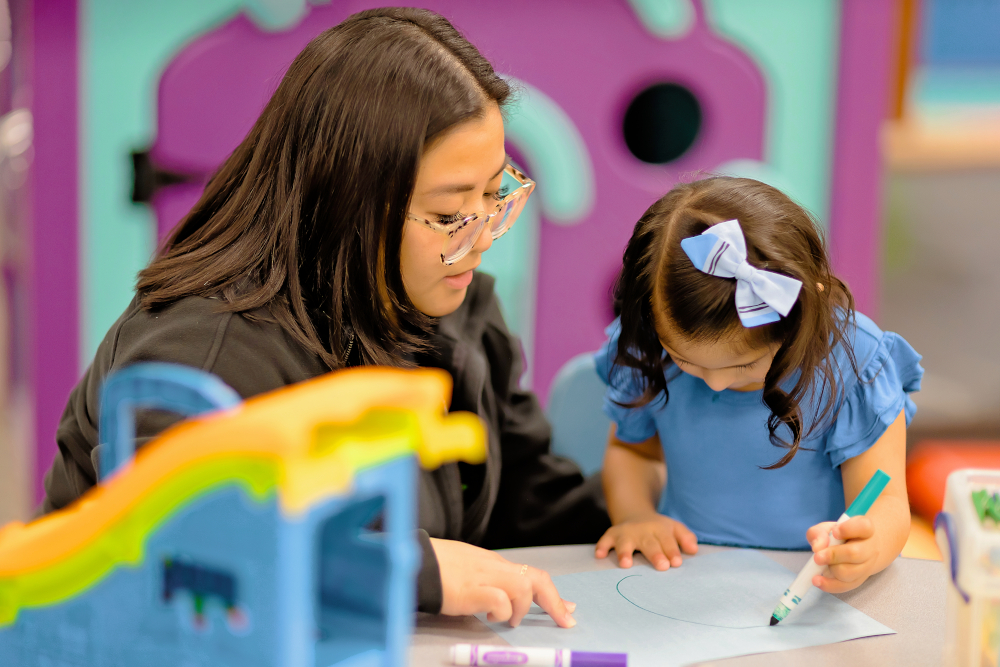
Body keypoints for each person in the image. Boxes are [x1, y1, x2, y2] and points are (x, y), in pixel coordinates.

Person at [42, 7, 608, 628]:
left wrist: (643, 508)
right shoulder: (206, 339)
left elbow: (526, 498)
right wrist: (410, 569)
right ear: (350, 206)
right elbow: (180, 547)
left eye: (496, 195)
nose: (482, 240)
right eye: (450, 216)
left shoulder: (454, 299)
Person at [594, 176, 922, 594]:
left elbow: (887, 503)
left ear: (798, 322)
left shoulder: (854, 364)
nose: (715, 383)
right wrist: (636, 515)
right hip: (681, 583)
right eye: (684, 360)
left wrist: (867, 548)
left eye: (745, 364)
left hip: (811, 587)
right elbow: (631, 451)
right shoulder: (647, 350)